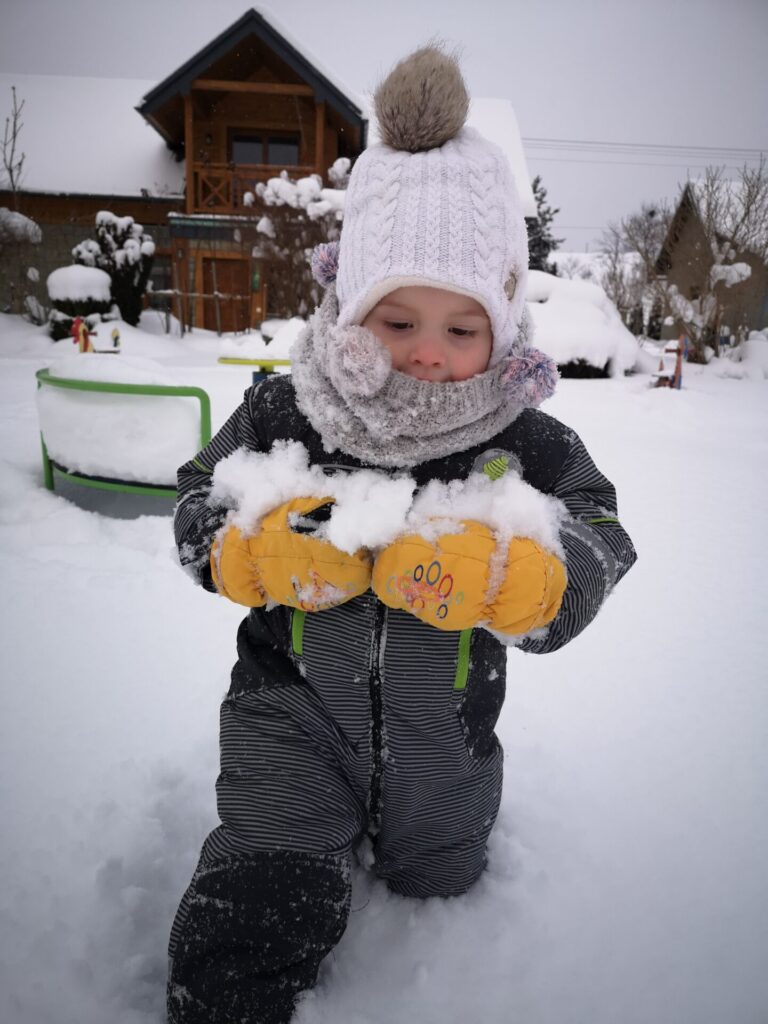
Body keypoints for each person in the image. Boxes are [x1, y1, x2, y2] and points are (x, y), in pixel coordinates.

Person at [167, 45, 637, 1024]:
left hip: (447, 739)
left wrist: (529, 575)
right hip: (290, 715)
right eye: (397, 319)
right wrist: (251, 546)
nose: (429, 350)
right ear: (349, 307)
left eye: (462, 328)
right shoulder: (287, 412)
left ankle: (418, 853)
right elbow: (200, 495)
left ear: (503, 325)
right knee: (265, 885)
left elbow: (599, 524)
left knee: (440, 880)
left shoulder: (521, 438)